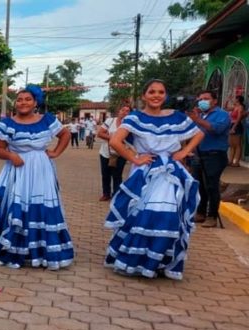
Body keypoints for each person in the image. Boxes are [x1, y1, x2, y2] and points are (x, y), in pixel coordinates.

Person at [104, 79, 205, 279]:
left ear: (165, 96)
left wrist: (184, 151)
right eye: (152, 92)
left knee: (168, 217)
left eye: (160, 92)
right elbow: (115, 140)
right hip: (146, 172)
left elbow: (199, 133)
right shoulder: (135, 118)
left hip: (171, 174)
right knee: (141, 215)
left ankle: (159, 261)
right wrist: (135, 158)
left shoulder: (176, 117)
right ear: (144, 96)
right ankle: (136, 260)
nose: (156, 95)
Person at [0, 85, 74, 270]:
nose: (23, 103)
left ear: (35, 102)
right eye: (20, 99)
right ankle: (16, 249)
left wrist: (56, 152)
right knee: (18, 206)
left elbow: (65, 134)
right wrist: (11, 156)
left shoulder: (47, 120)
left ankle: (42, 251)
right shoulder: (7, 124)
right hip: (17, 170)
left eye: (28, 99)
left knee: (42, 206)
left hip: (41, 169)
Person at [187, 90, 231, 228]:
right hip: (198, 155)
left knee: (211, 186)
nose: (202, 101)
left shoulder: (222, 115)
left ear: (214, 101)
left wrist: (198, 120)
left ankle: (212, 215)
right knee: (199, 186)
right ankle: (200, 213)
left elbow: (216, 129)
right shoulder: (199, 115)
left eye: (206, 98)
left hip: (214, 155)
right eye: (200, 99)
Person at [96, 105, 131, 201]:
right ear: (118, 111)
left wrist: (118, 140)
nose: (124, 112)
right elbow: (100, 133)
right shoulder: (110, 121)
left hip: (121, 153)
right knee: (105, 174)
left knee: (117, 175)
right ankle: (106, 193)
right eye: (123, 110)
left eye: (127, 111)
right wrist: (114, 139)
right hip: (106, 152)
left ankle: (116, 194)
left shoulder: (129, 124)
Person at [229, 96, 245, 167]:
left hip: (237, 125)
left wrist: (233, 127)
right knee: (232, 145)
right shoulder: (235, 107)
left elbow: (238, 118)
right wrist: (228, 100)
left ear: (238, 100)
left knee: (237, 144)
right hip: (232, 124)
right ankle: (230, 160)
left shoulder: (240, 107)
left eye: (235, 99)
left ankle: (236, 161)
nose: (234, 100)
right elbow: (225, 107)